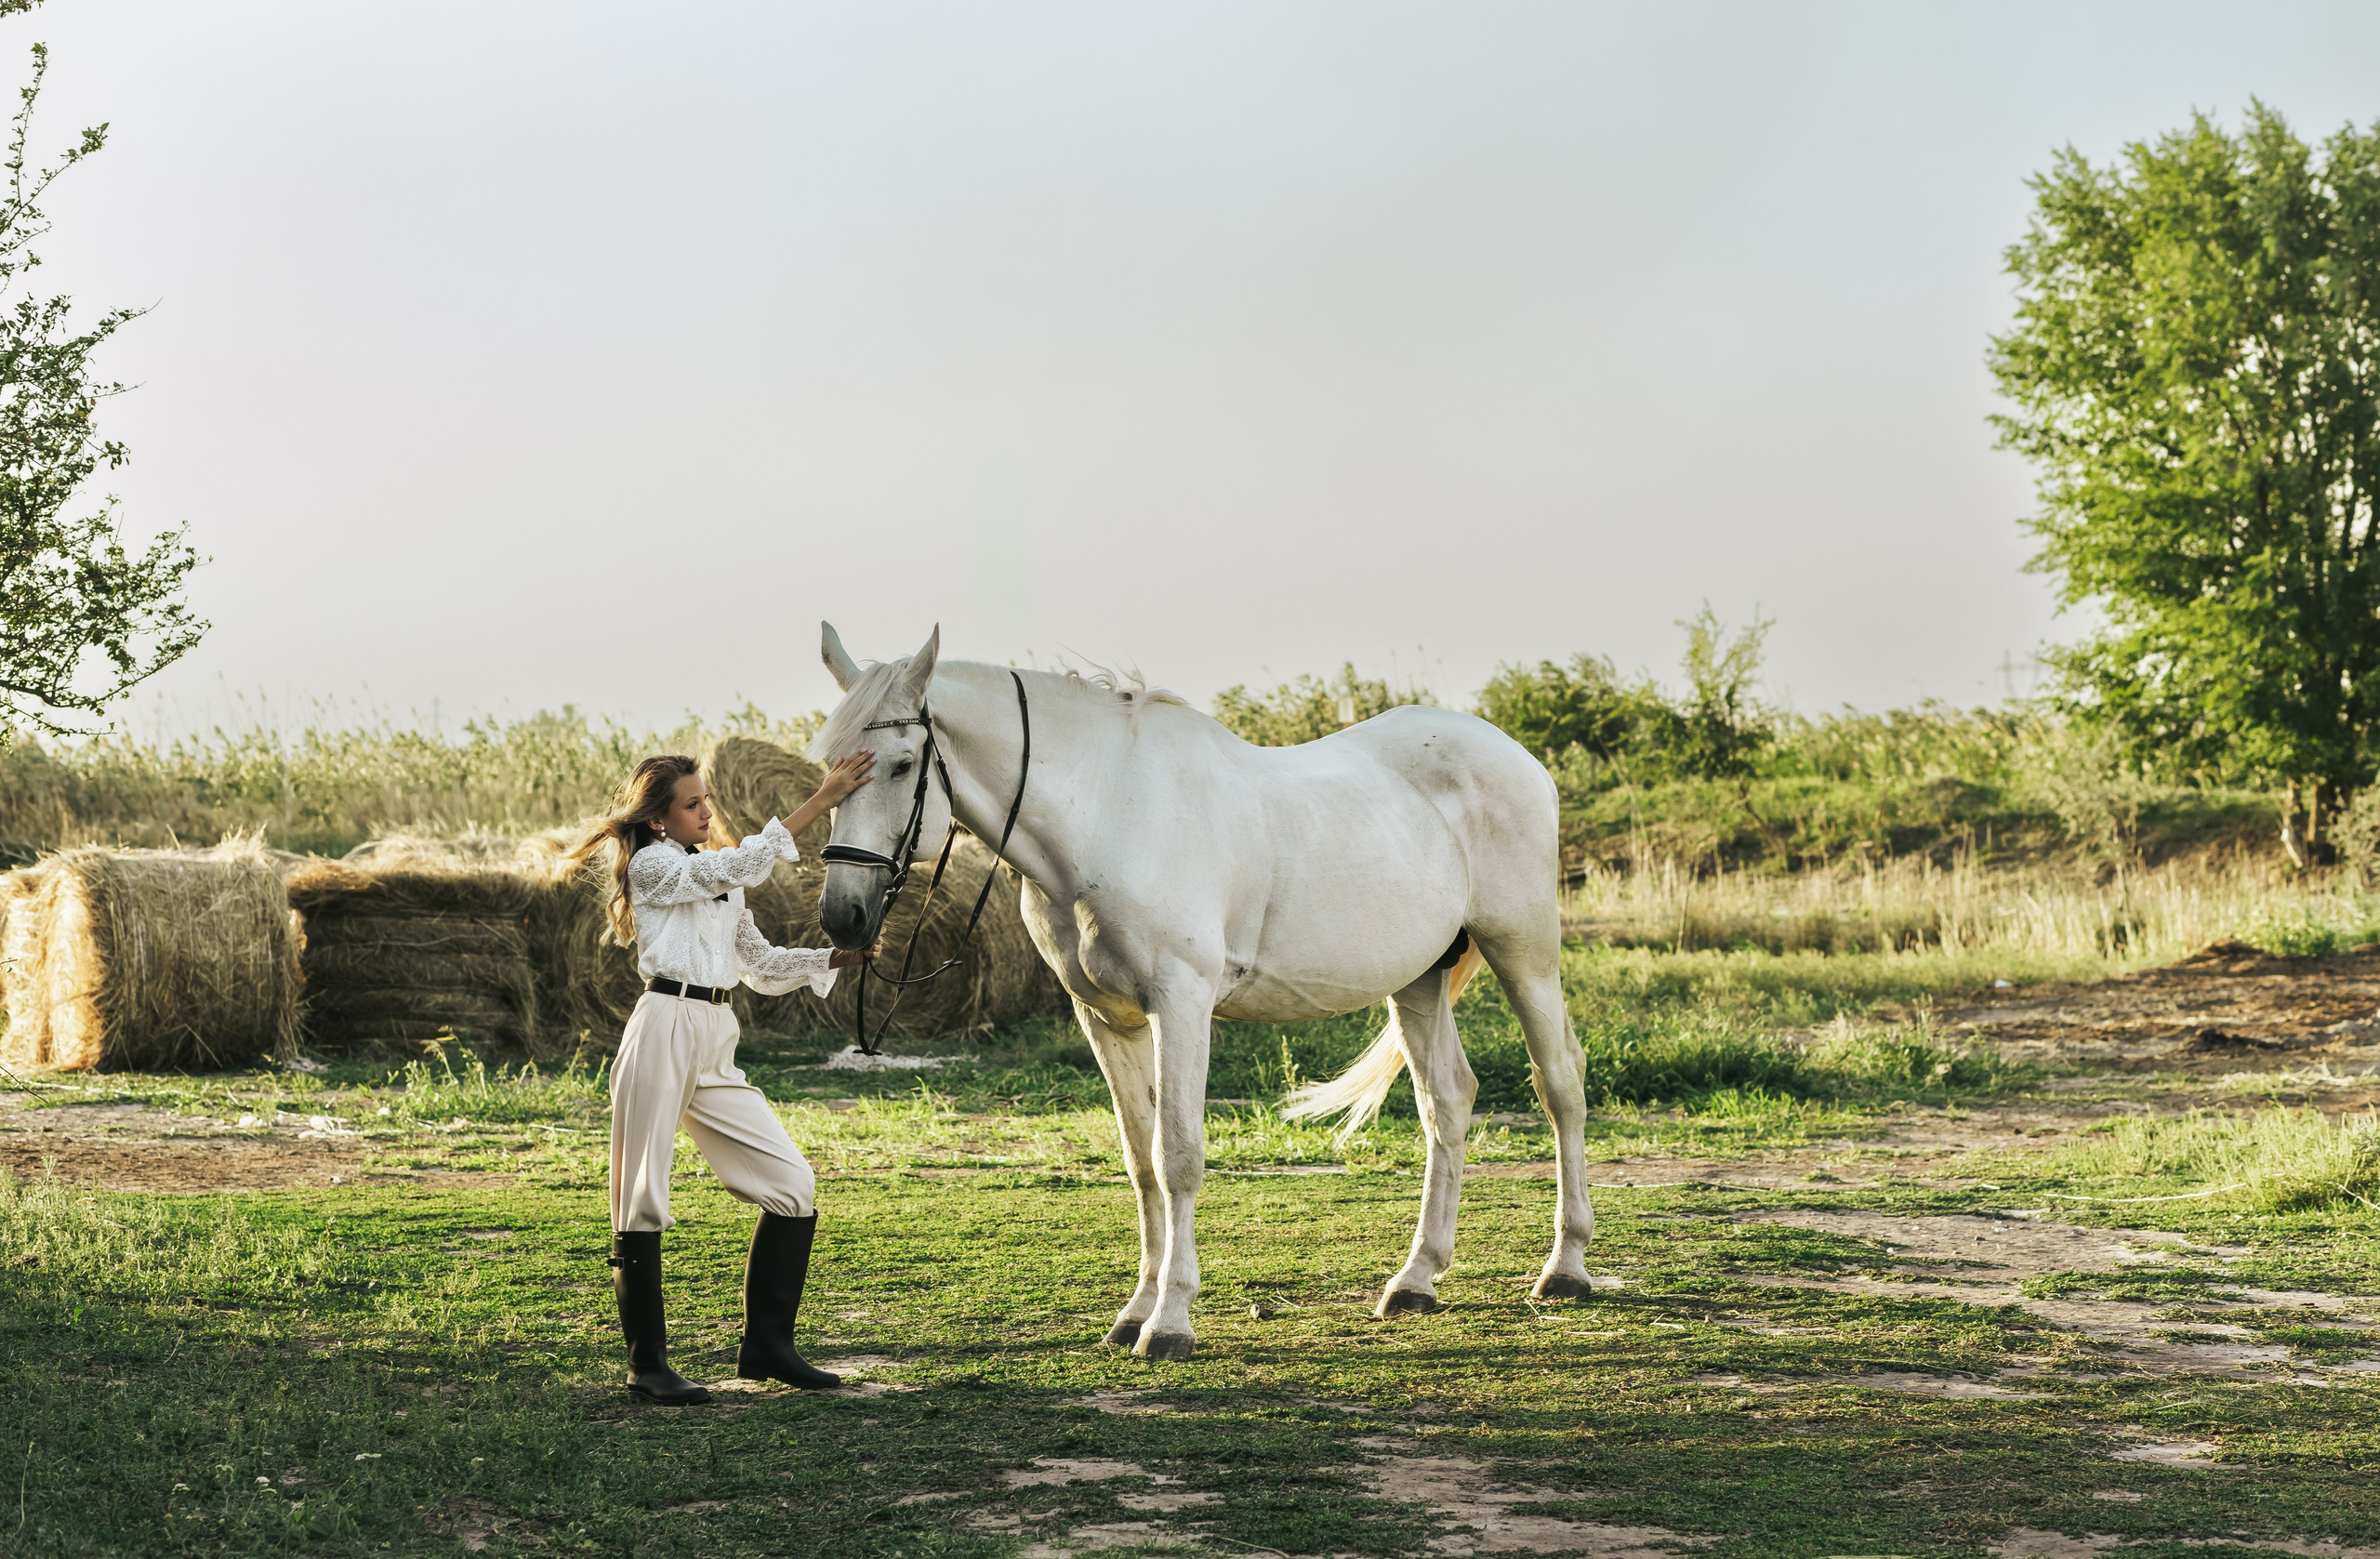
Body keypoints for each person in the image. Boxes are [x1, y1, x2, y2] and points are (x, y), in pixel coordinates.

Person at [571, 748, 875, 1405]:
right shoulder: (654, 867)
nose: (707, 811)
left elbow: (759, 964)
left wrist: (834, 957)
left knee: (794, 1182)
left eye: (707, 799)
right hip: (662, 1023)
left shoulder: (718, 875)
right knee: (640, 1193)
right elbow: (738, 862)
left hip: (715, 1031)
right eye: (691, 803)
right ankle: (646, 1365)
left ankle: (767, 1347)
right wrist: (819, 801)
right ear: (658, 820)